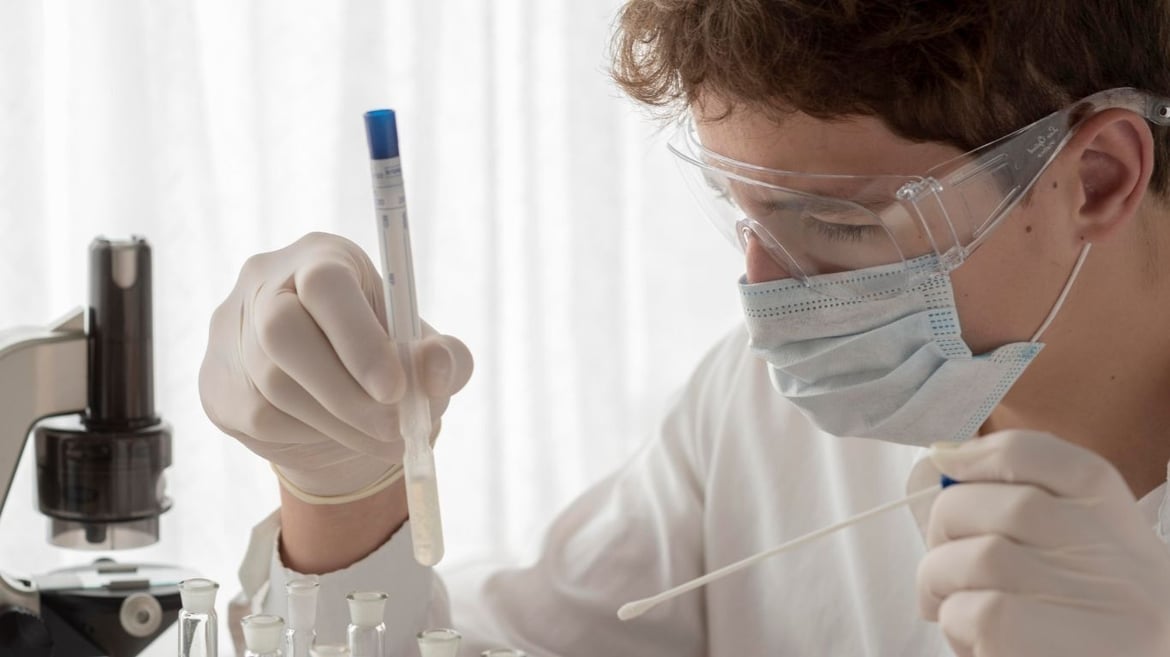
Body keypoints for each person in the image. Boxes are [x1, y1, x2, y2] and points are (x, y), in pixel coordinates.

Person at [200, 2, 1170, 655]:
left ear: (1097, 180)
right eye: (744, 214)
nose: (759, 288)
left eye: (836, 222)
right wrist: (341, 498)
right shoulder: (756, 411)